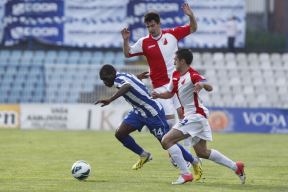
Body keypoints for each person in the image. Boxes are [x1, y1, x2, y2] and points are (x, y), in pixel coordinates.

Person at [95, 64, 202, 184]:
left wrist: (110, 99)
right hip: (139, 112)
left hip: (153, 113)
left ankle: (194, 162)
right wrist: (138, 78)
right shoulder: (122, 75)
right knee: (120, 133)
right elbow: (130, 82)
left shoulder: (119, 80)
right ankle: (144, 155)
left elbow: (127, 85)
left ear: (111, 75)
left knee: (167, 142)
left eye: (105, 79)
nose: (104, 82)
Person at [152, 49, 246, 184]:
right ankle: (236, 167)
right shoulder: (175, 75)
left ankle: (185, 174)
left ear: (182, 61)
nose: (173, 61)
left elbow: (209, 86)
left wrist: (202, 84)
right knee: (202, 152)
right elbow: (170, 93)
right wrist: (158, 95)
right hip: (194, 117)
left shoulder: (193, 74)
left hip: (195, 116)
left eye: (175, 60)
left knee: (166, 141)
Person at [121, 2, 197, 160]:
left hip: (177, 83)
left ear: (159, 23)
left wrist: (191, 16)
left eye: (153, 25)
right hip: (160, 87)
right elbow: (128, 54)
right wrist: (126, 40)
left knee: (184, 117)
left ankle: (186, 154)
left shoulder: (172, 34)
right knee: (169, 123)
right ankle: (175, 153)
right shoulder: (144, 42)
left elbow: (193, 28)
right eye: (148, 26)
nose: (151, 29)